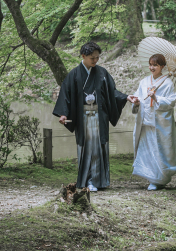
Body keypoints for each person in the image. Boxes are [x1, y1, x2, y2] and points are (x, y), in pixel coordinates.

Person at [53, 41, 137, 191]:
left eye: (97, 57)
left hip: (99, 116)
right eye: (92, 58)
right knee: (86, 148)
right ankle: (86, 181)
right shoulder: (74, 74)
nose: (95, 60)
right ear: (83, 56)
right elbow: (66, 95)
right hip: (83, 118)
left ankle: (98, 181)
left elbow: (112, 92)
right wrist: (63, 114)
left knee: (98, 148)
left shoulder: (102, 73)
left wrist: (125, 97)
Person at [131, 54, 176, 190]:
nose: (152, 67)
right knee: (147, 150)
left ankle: (158, 179)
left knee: (158, 150)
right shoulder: (144, 82)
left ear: (162, 67)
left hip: (159, 123)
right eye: (150, 64)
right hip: (145, 121)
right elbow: (138, 96)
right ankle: (150, 177)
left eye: (155, 65)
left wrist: (156, 97)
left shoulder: (167, 83)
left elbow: (171, 101)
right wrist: (136, 102)